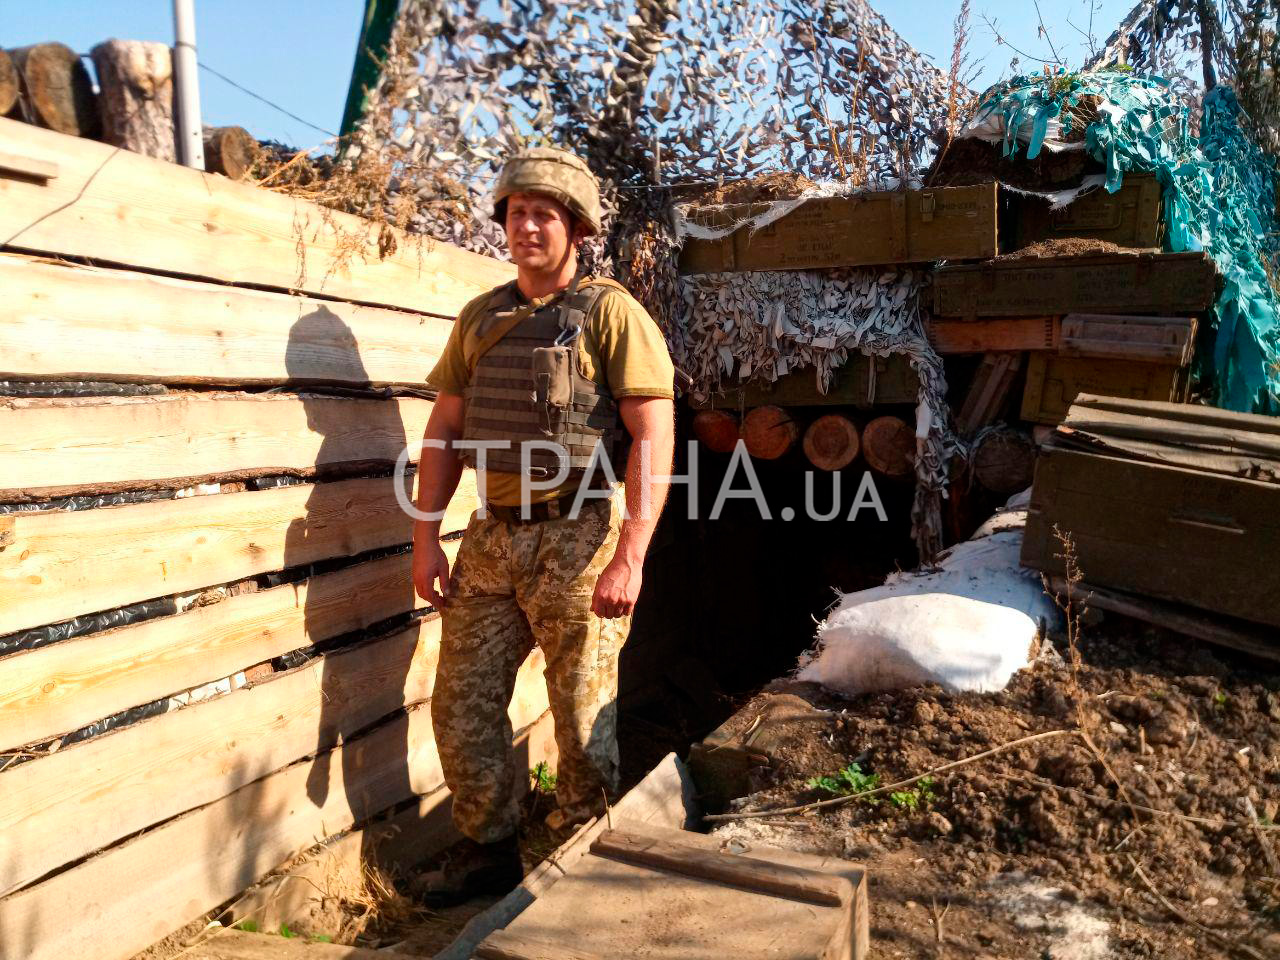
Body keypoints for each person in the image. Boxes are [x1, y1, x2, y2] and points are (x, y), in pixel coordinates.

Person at [411, 147, 676, 904]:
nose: (527, 227)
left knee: (583, 719)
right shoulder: (481, 317)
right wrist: (426, 538)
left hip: (577, 536)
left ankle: (579, 868)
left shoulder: (610, 314)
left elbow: (653, 433)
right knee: (460, 706)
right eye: (516, 213)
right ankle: (487, 849)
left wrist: (631, 555)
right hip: (491, 539)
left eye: (544, 215)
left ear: (577, 229)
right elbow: (445, 431)